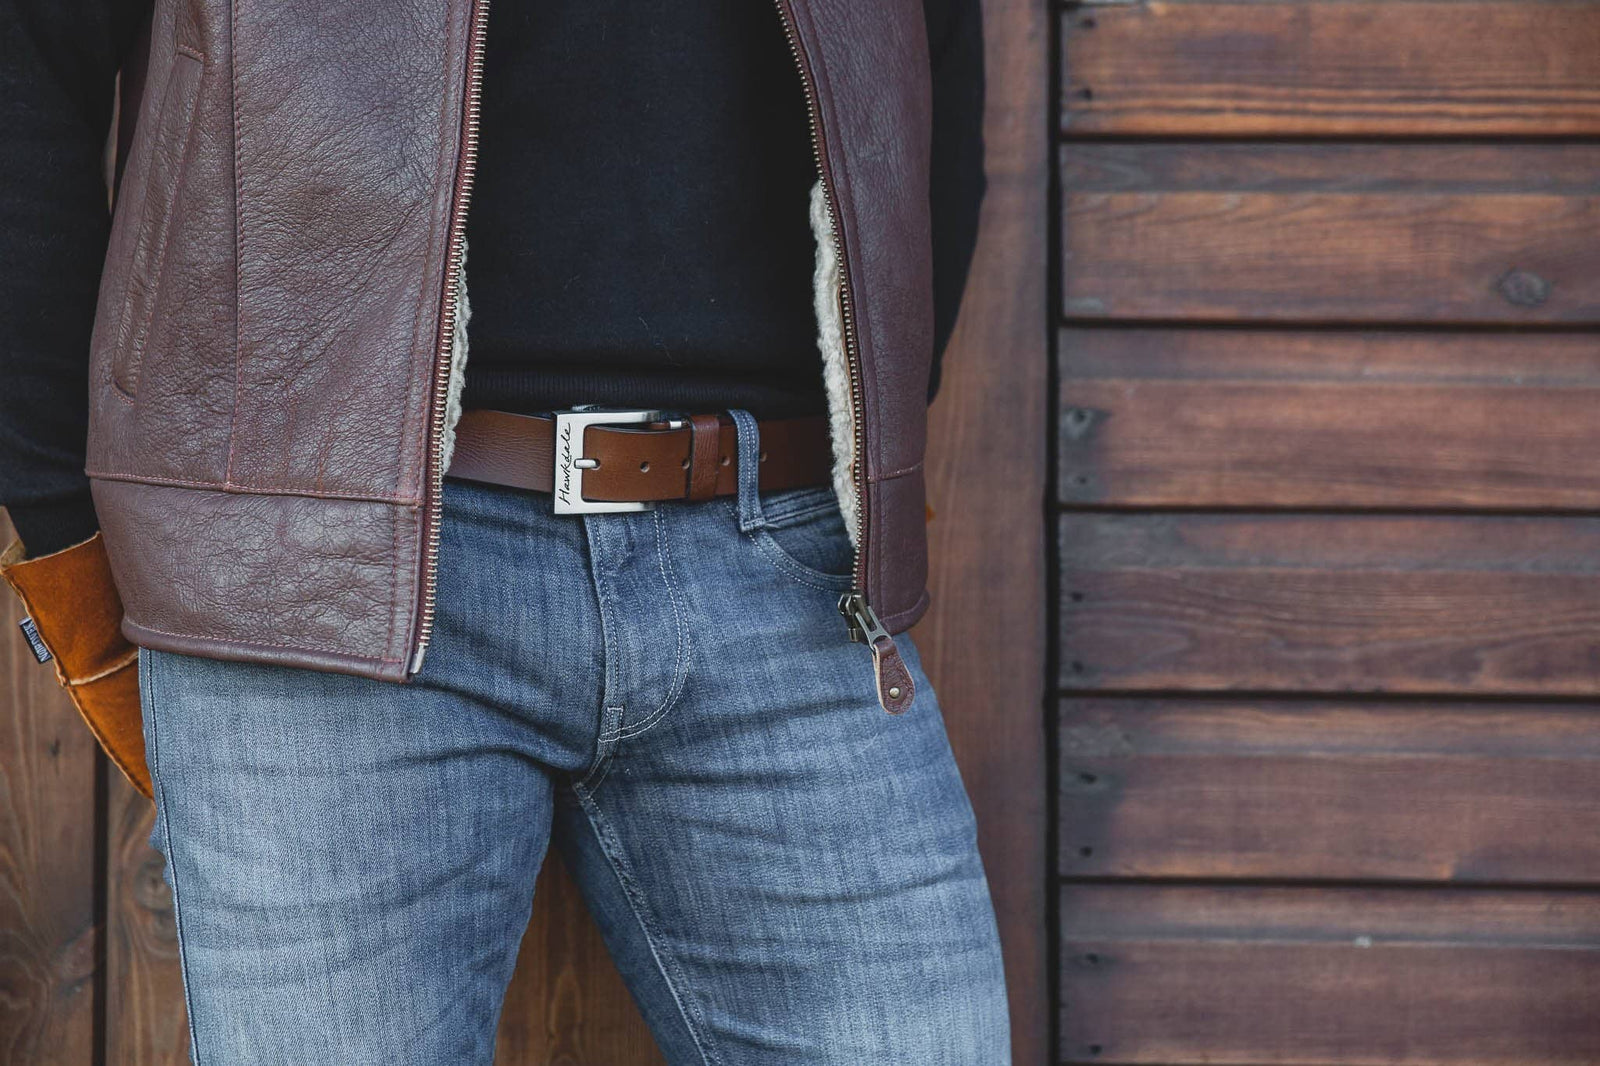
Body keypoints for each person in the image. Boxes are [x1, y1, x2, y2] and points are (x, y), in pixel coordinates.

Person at [0, 0, 1007, 1061]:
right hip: (318, 571)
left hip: (786, 560)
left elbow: (921, 62)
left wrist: (873, 445)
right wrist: (65, 518)